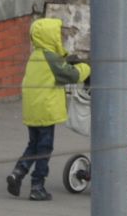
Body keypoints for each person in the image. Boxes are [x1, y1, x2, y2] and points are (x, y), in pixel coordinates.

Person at [7, 17, 89, 201]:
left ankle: (18, 172)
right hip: (46, 109)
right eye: (57, 35)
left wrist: (67, 59)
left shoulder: (36, 55)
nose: (60, 37)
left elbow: (58, 65)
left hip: (33, 109)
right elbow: (70, 74)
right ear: (49, 37)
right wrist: (87, 67)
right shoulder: (51, 58)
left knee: (33, 145)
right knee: (45, 148)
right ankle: (37, 185)